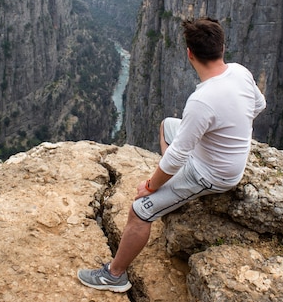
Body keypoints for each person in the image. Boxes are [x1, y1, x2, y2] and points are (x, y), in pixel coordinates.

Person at [77, 17, 266, 292]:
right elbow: (259, 104)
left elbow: (176, 157)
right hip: (214, 157)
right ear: (221, 48)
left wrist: (151, 186)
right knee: (167, 125)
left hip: (212, 174)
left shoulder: (203, 100)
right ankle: (175, 187)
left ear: (189, 54)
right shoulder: (239, 71)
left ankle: (115, 275)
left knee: (139, 211)